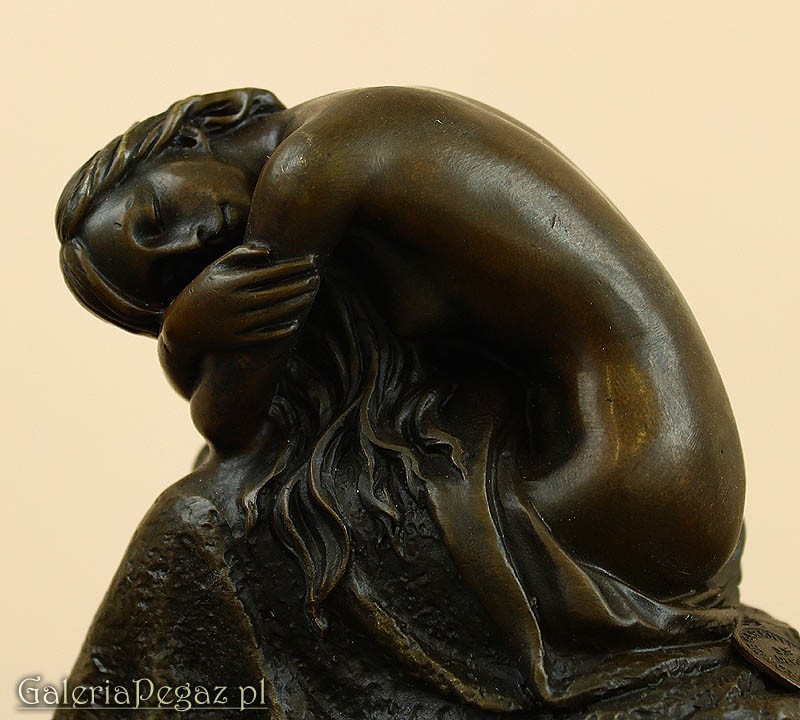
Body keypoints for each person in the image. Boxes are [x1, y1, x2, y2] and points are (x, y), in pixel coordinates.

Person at [55, 88, 799, 717]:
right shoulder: (333, 129)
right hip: (620, 454)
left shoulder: (311, 168)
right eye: (174, 277)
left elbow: (231, 422)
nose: (193, 243)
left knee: (203, 520)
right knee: (263, 491)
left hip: (621, 480)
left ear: (190, 135)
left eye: (154, 215)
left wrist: (181, 335)